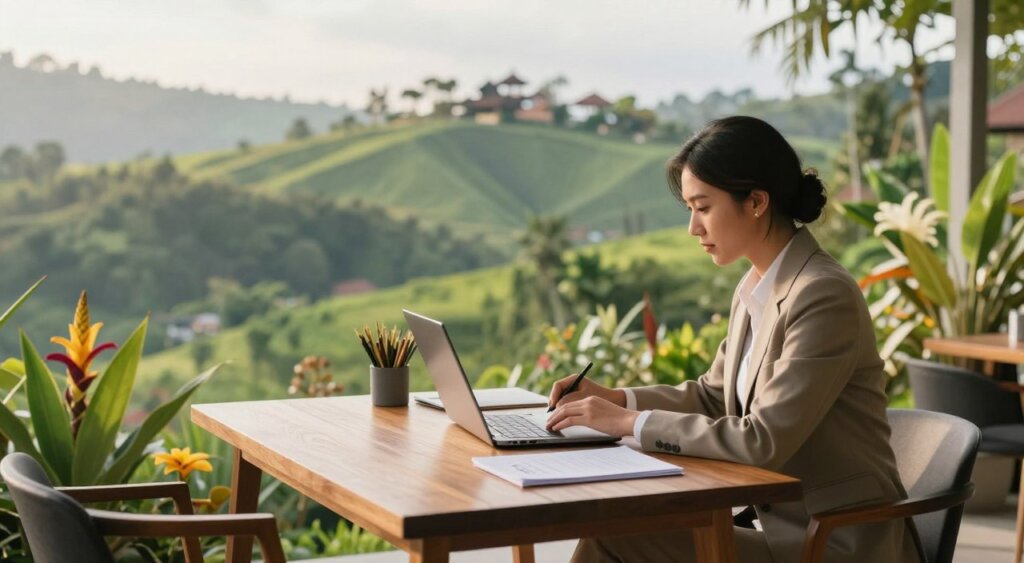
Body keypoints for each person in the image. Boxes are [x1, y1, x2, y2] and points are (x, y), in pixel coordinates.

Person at [545, 116, 920, 563]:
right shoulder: (756, 288)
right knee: (612, 534)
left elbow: (761, 439)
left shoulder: (822, 295)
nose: (693, 228)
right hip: (784, 533)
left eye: (703, 207)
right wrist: (618, 399)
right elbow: (713, 395)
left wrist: (625, 424)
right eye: (689, 209)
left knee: (615, 538)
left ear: (756, 201)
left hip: (833, 543)